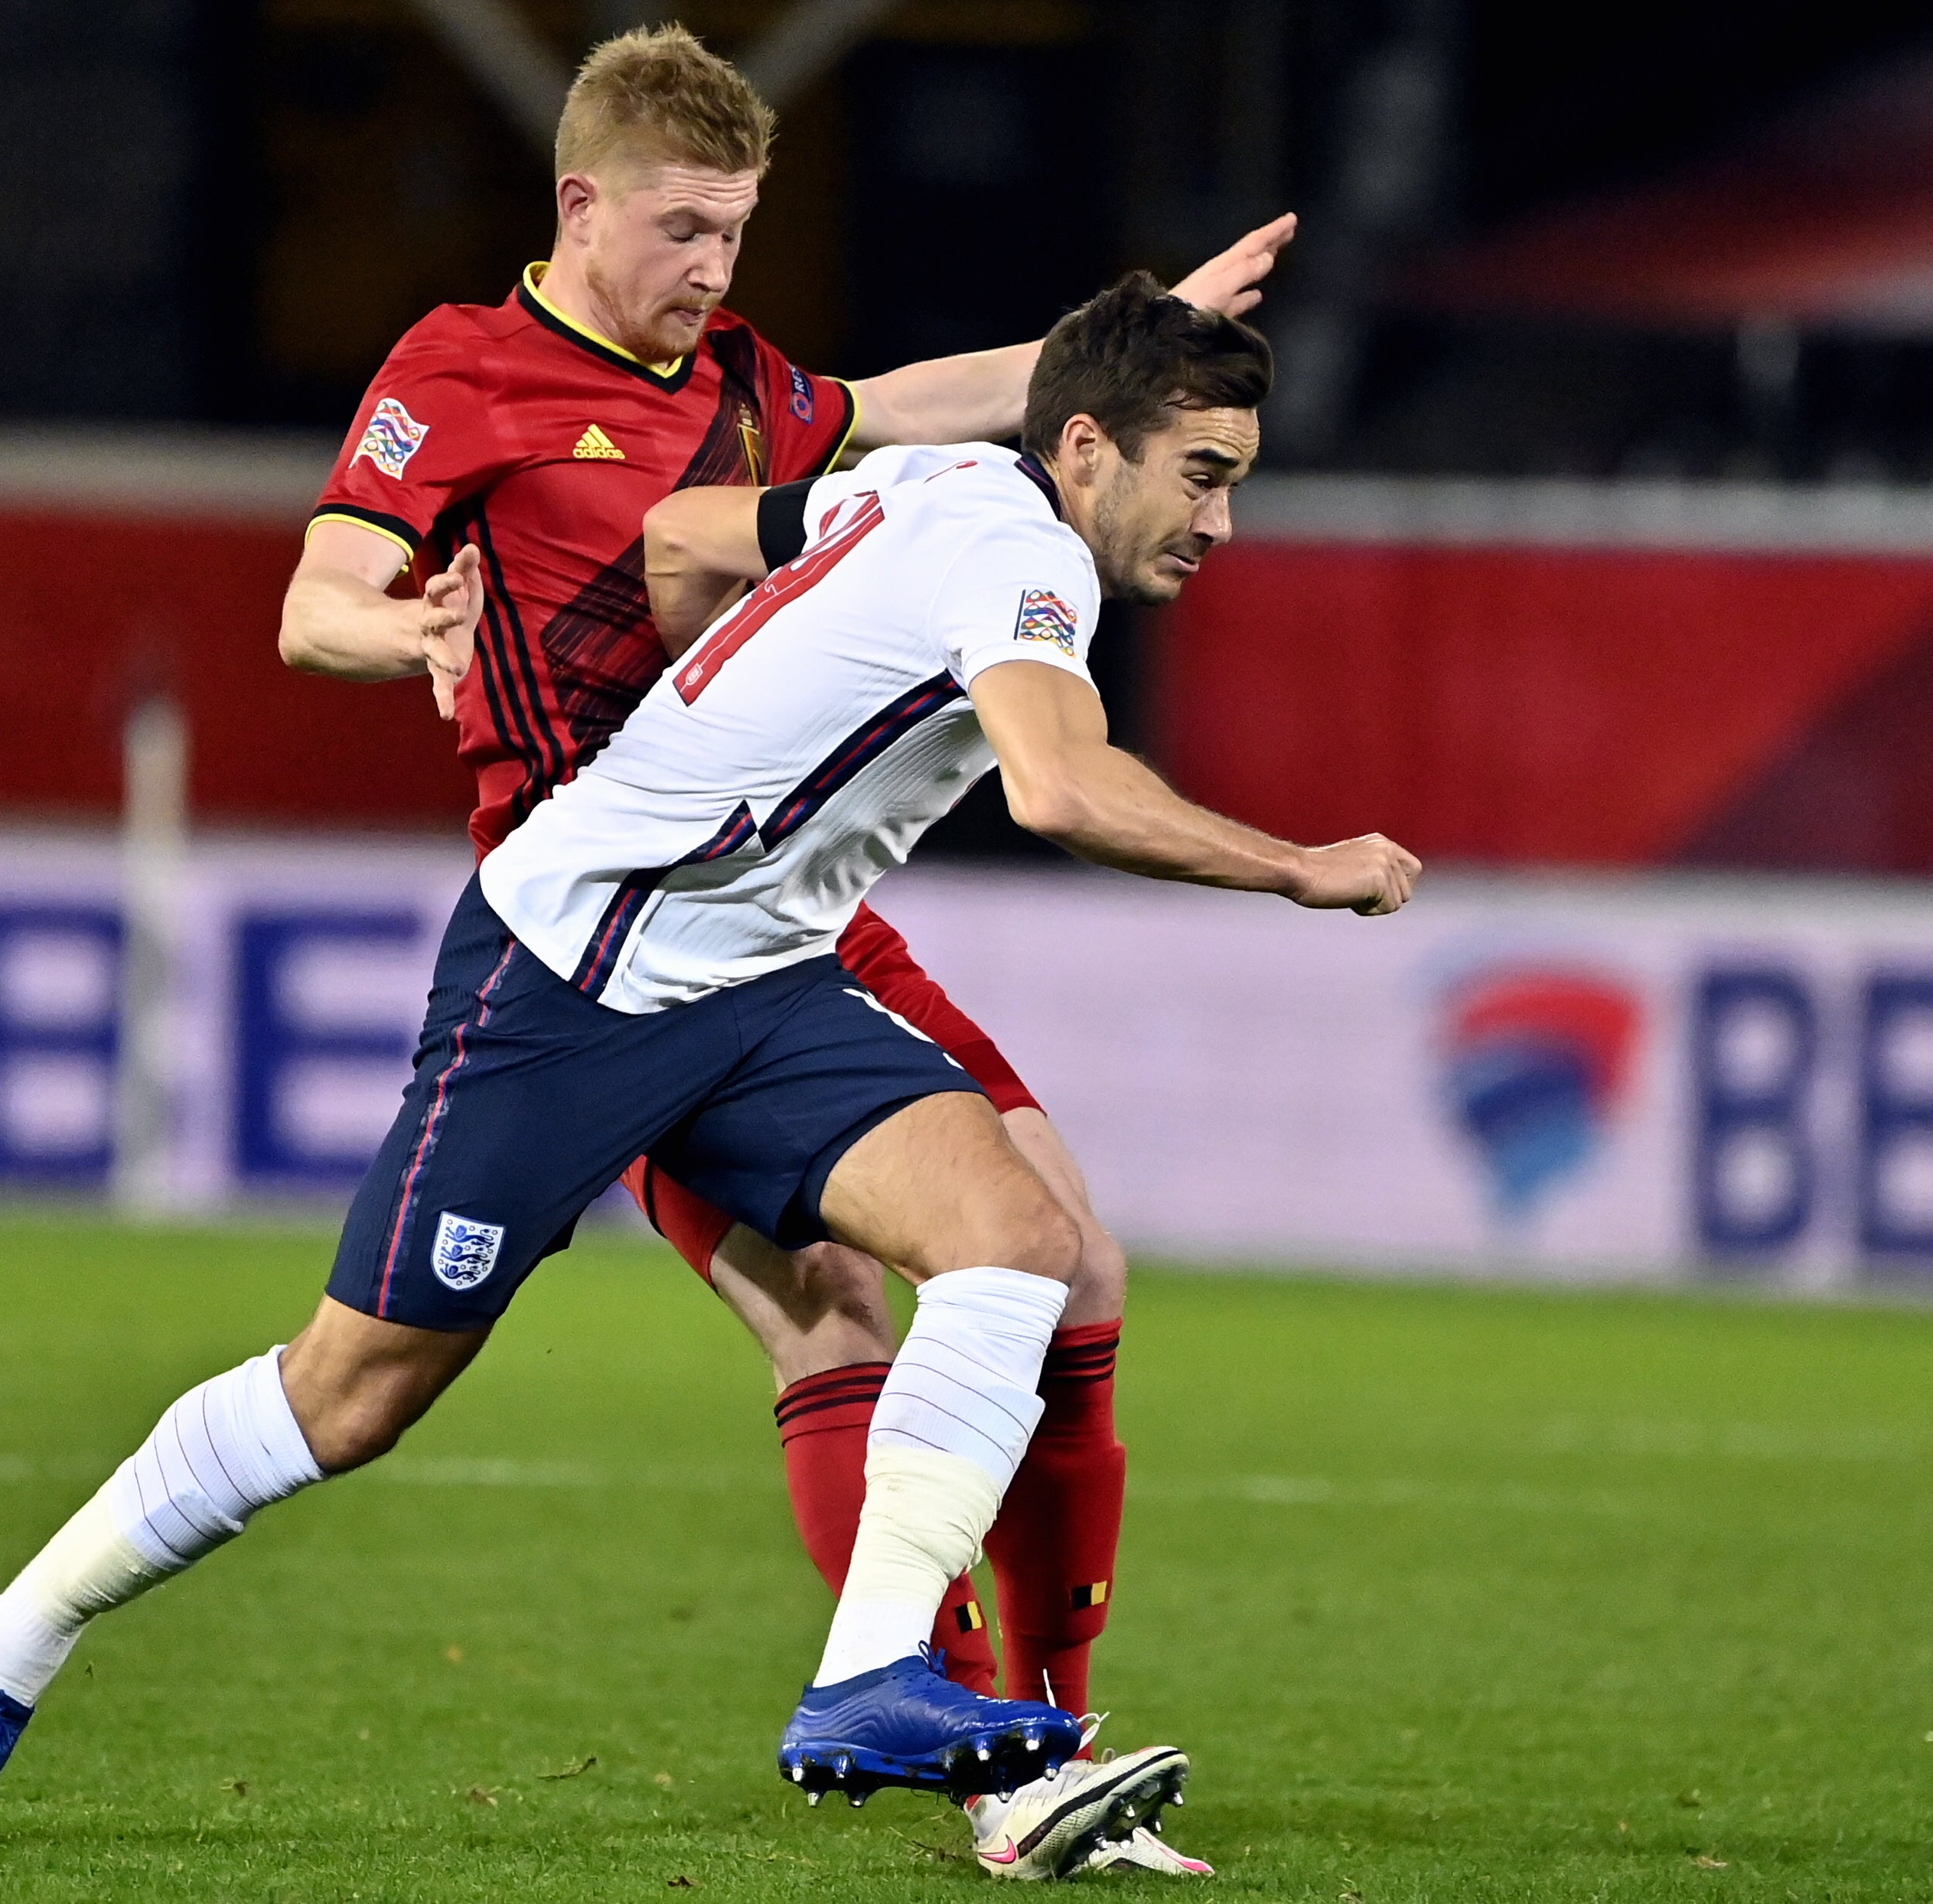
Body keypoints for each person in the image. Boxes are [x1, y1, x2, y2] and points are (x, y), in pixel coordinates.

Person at [0, 274, 1418, 1881]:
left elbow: (684, 537)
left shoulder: (926, 479)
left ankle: (870, 1672)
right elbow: (1054, 783)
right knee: (351, 1394)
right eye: (1207, 474)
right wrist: (1299, 866)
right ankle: (0, 1644)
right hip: (563, 981)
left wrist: (705, 712)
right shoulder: (1020, 554)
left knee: (1022, 1242)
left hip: (753, 979)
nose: (1222, 523)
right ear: (1090, 448)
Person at [269, 23, 1292, 1876]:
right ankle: (985, 1769)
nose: (714, 268)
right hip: (606, 916)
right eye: (681, 229)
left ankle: (1040, 1733)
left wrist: (1129, 343)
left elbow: (916, 398)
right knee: (828, 1305)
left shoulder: (745, 381)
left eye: (736, 230)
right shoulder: (461, 364)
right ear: (582, 204)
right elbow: (316, 593)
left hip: (806, 892)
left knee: (1073, 1267)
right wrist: (397, 627)